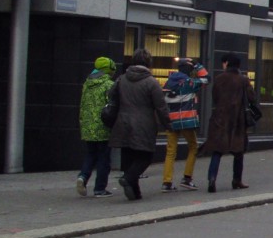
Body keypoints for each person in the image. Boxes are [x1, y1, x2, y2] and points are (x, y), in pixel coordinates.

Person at [108, 48, 168, 200]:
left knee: (128, 157)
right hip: (144, 124)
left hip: (122, 123)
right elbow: (160, 106)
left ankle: (135, 193)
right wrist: (167, 123)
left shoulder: (121, 79)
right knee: (145, 156)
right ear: (148, 62)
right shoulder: (151, 82)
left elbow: (112, 97)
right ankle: (128, 180)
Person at [203, 53, 259, 193]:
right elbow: (252, 98)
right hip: (238, 120)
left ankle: (212, 178)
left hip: (220, 118)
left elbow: (215, 97)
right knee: (238, 151)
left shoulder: (219, 79)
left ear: (227, 63)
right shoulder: (243, 80)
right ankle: (236, 180)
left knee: (217, 150)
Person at [161, 58, 209, 192]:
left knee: (170, 151)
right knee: (193, 147)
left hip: (171, 121)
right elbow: (207, 78)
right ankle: (187, 178)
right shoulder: (190, 82)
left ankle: (167, 182)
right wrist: (198, 65)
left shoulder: (168, 82)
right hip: (186, 120)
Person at [76, 56, 117, 197]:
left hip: (88, 126)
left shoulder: (87, 84)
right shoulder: (108, 85)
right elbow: (111, 106)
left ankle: (83, 176)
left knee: (90, 155)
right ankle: (100, 188)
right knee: (104, 159)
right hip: (103, 127)